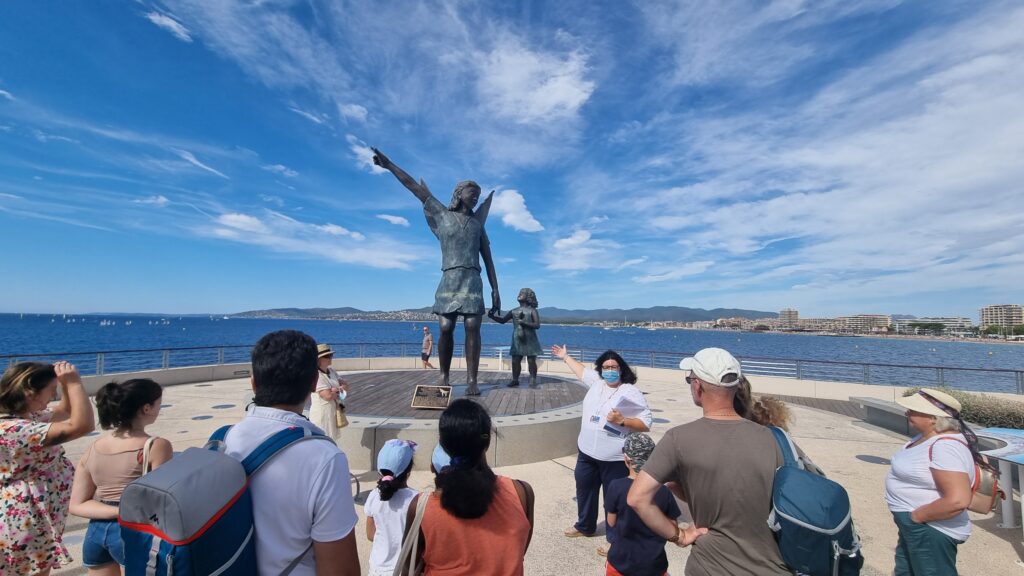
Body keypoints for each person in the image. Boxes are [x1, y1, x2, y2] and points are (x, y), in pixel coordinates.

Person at [627, 347, 790, 576]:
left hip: (711, 567)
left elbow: (637, 498)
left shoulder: (679, 439)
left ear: (697, 385)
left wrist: (679, 535)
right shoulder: (774, 438)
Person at [223, 330, 360, 576]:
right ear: (311, 384)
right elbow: (341, 569)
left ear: (253, 383)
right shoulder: (324, 458)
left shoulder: (226, 439)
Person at [372, 148, 501, 395]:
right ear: (459, 194)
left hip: (473, 280)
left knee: (473, 327)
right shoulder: (442, 215)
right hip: (449, 279)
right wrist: (389, 165)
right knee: (445, 328)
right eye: (471, 193)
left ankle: (472, 380)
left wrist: (496, 290)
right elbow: (414, 188)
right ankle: (444, 375)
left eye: (478, 196)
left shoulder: (477, 226)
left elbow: (489, 259)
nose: (475, 198)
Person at [403, 399, 534, 575]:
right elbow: (518, 551)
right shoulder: (521, 493)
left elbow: (410, 562)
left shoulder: (421, 507)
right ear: (486, 443)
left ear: (443, 444)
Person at [551, 345, 653, 548]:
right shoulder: (596, 383)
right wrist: (565, 357)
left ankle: (614, 538)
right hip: (587, 453)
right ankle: (585, 526)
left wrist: (622, 420)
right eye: (605, 367)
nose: (609, 370)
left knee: (613, 499)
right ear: (600, 370)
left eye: (613, 366)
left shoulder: (630, 391)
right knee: (584, 491)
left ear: (621, 369)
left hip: (614, 458)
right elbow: (580, 370)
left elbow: (646, 423)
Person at [69, 379, 173, 576]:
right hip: (131, 531)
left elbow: (76, 505)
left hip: (96, 532)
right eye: (158, 403)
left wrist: (113, 512)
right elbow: (161, 500)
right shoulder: (156, 446)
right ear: (147, 408)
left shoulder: (94, 447)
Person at [0, 361, 94, 576]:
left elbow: (65, 411)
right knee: (33, 570)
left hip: (39, 512)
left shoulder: (25, 418)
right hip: (27, 515)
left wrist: (65, 385)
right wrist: (74, 383)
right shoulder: (15, 429)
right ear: (30, 393)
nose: (53, 396)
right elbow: (83, 425)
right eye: (51, 391)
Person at [886, 388, 990, 575]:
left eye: (913, 410)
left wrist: (916, 517)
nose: (906, 413)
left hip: (930, 528)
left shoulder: (945, 448)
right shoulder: (925, 438)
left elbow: (957, 501)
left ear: (933, 418)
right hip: (918, 527)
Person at [605, 432, 680, 576]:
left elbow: (611, 521)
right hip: (653, 564)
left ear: (627, 459)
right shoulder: (664, 491)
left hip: (621, 561)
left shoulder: (616, 486)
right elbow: (673, 527)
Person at [364, 439, 419, 576]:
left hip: (377, 569)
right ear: (409, 471)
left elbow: (371, 535)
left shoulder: (373, 496)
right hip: (405, 569)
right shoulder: (418, 499)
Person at [488, 287, 542, 388]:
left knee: (531, 360)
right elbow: (503, 320)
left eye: (523, 293)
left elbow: (537, 325)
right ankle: (515, 379)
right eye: (520, 292)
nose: (520, 294)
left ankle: (533, 378)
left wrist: (524, 323)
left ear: (529, 297)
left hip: (530, 339)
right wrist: (492, 317)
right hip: (517, 338)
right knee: (515, 360)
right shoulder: (514, 311)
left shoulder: (532, 311)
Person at [309, 343, 349, 440]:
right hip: (322, 415)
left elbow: (346, 385)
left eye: (330, 355)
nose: (330, 358)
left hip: (332, 413)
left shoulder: (331, 371)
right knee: (322, 440)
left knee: (332, 439)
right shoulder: (316, 375)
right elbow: (327, 396)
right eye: (327, 356)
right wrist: (338, 390)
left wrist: (335, 390)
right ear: (319, 359)